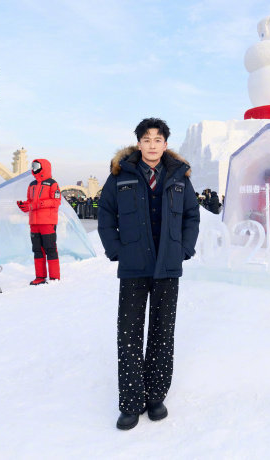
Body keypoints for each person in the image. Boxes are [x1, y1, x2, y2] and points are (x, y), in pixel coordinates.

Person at [98, 118, 200, 430]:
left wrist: (183, 249)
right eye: (147, 139)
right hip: (134, 266)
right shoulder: (121, 176)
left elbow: (191, 215)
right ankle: (131, 403)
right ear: (138, 143)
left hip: (167, 266)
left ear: (165, 144)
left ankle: (156, 396)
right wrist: (117, 250)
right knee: (128, 333)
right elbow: (106, 214)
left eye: (158, 140)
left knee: (162, 332)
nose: (152, 145)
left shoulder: (179, 176)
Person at [17, 159, 62, 285]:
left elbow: (56, 202)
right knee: (37, 250)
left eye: (37, 166)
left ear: (44, 167)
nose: (34, 168)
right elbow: (30, 201)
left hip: (47, 222)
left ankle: (54, 277)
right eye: (33, 166)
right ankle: (40, 276)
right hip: (34, 223)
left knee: (50, 249)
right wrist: (24, 205)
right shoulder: (32, 184)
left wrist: (37, 204)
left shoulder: (52, 184)